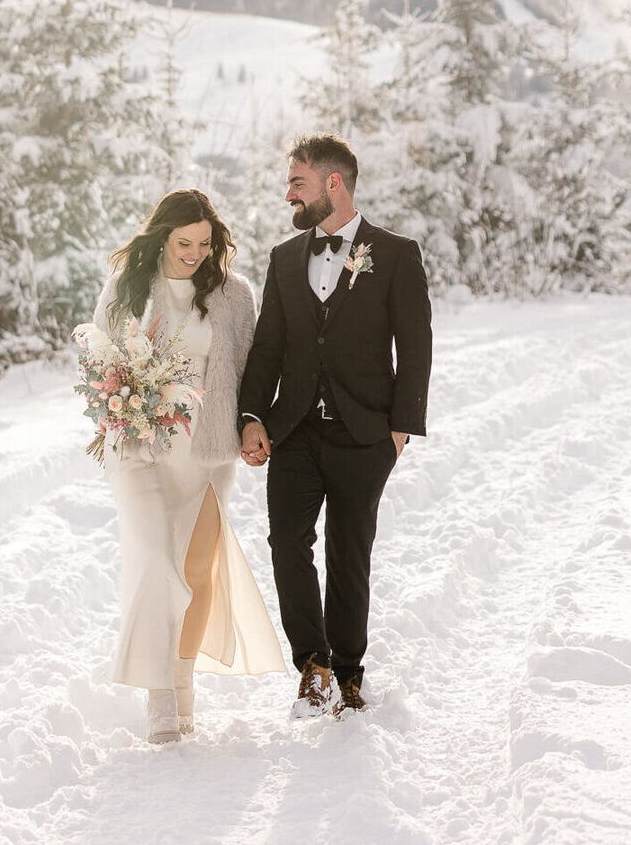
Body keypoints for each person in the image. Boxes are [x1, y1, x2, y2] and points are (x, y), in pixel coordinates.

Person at [238, 135, 432, 718]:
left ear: (333, 184)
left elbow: (415, 345)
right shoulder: (283, 258)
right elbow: (268, 347)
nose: (287, 194)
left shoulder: (396, 254)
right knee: (286, 543)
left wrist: (400, 429)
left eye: (296, 183)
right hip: (294, 430)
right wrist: (252, 416)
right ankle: (313, 664)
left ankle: (348, 670)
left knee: (351, 551)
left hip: (364, 434)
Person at [94, 188, 284, 743]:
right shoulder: (128, 289)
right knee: (155, 560)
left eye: (204, 243)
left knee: (197, 573)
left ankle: (181, 688)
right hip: (140, 448)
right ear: (161, 237)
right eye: (183, 242)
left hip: (204, 452)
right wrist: (120, 404)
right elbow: (98, 360)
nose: (194, 253)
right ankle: (158, 697)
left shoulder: (232, 295)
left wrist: (253, 424)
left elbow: (251, 370)